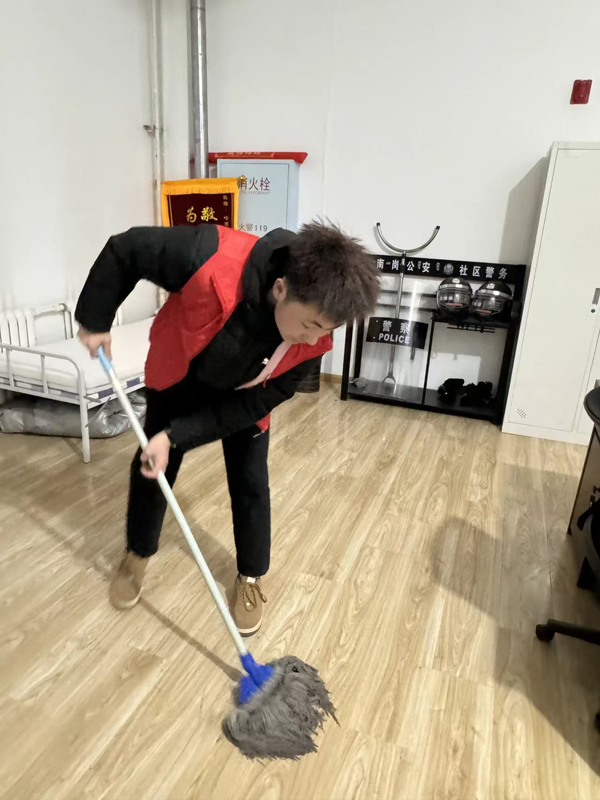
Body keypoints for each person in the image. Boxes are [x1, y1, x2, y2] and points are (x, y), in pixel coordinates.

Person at [75, 221, 379, 635]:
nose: (314, 340)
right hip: (180, 375)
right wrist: (96, 318)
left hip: (248, 394)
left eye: (327, 330)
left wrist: (178, 435)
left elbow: (257, 402)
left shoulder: (313, 341)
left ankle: (250, 577)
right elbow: (126, 249)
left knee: (251, 479)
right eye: (310, 325)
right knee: (153, 467)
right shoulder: (208, 254)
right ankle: (138, 554)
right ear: (280, 288)